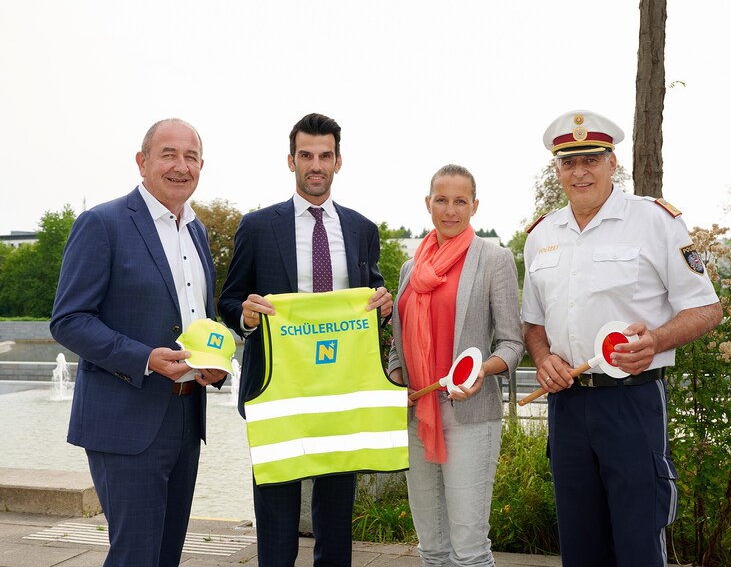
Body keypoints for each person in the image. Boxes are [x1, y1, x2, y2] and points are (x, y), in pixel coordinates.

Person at [521, 110, 723, 567]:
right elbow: (532, 322)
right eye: (569, 162)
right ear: (557, 170)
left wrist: (657, 338)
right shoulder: (541, 235)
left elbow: (708, 308)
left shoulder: (655, 221)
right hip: (568, 406)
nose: (580, 171)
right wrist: (542, 356)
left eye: (591, 159)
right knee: (579, 544)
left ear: (613, 163)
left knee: (638, 542)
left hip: (632, 403)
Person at [218, 112, 394, 566]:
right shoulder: (257, 226)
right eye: (306, 155)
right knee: (276, 514)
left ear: (339, 161)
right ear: (291, 160)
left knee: (335, 516)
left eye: (325, 155)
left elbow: (370, 298)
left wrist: (383, 307)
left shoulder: (361, 229)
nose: (315, 165)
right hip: (278, 391)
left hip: (341, 393)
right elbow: (230, 300)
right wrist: (248, 318)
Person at [50, 118, 228, 566]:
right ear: (142, 161)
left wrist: (215, 360)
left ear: (201, 166)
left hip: (187, 414)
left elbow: (196, 317)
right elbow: (69, 320)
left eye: (191, 157)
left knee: (167, 556)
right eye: (168, 154)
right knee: (135, 556)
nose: (180, 166)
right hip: (126, 420)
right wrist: (144, 358)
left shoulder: (197, 231)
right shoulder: (102, 224)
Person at [387, 164, 524, 566]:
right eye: (442, 200)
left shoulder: (493, 259)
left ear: (474, 206)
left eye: (460, 201)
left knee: (469, 550)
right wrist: (397, 381)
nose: (450, 210)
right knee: (431, 548)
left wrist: (484, 370)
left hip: (470, 417)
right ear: (427, 204)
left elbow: (513, 343)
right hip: (417, 418)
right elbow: (397, 348)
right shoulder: (409, 270)